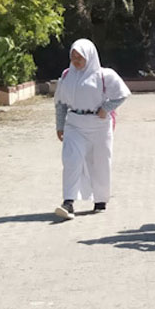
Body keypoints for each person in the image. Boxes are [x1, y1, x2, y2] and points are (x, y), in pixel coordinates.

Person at [53, 38, 130, 220]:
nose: (76, 61)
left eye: (80, 57)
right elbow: (60, 103)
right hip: (74, 124)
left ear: (90, 56)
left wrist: (107, 108)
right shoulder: (66, 76)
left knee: (100, 162)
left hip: (98, 125)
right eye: (73, 57)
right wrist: (60, 124)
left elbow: (123, 94)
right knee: (71, 160)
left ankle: (100, 199)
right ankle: (69, 201)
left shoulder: (104, 75)